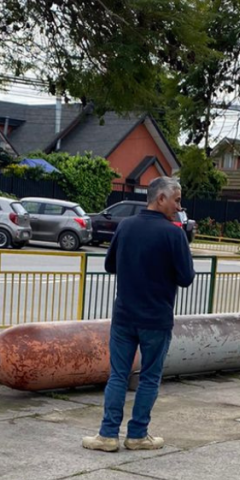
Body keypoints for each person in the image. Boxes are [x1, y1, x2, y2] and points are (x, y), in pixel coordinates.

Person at [83, 177, 195, 452]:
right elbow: (186, 277)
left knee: (118, 375)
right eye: (177, 200)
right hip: (156, 319)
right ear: (161, 199)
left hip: (124, 316)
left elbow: (110, 265)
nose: (180, 206)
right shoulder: (174, 234)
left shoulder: (126, 226)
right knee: (149, 377)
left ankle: (107, 435)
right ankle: (137, 435)